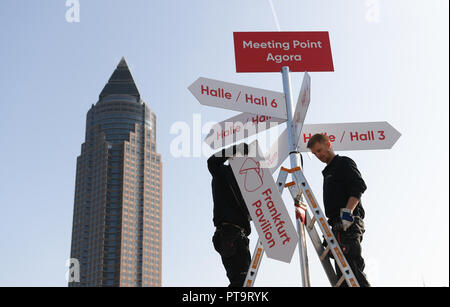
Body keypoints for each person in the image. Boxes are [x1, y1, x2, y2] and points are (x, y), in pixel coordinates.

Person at [307, 134, 370, 287]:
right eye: (315, 154)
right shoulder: (328, 172)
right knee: (344, 280)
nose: (318, 156)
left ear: (329, 144)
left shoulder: (343, 163)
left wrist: (347, 214)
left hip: (348, 224)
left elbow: (359, 185)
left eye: (320, 150)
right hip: (337, 227)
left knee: (354, 275)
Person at [207, 143, 251, 287]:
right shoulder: (223, 174)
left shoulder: (245, 184)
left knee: (245, 282)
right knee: (241, 282)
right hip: (229, 235)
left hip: (240, 237)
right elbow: (212, 162)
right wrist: (235, 149)